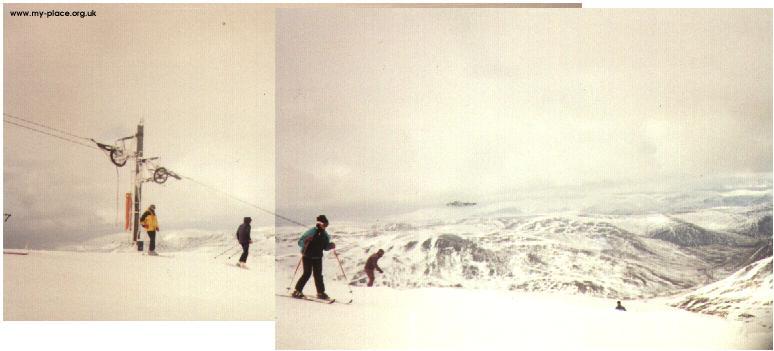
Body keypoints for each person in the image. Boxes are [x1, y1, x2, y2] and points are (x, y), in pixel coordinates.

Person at [292, 215, 335, 300]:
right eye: (325, 224)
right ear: (320, 223)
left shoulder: (325, 234)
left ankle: (320, 293)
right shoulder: (311, 231)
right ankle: (297, 291)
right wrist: (306, 241)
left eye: (326, 225)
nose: (325, 227)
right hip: (307, 256)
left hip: (318, 257)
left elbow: (325, 247)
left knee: (318, 275)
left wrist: (330, 246)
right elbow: (300, 242)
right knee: (307, 273)